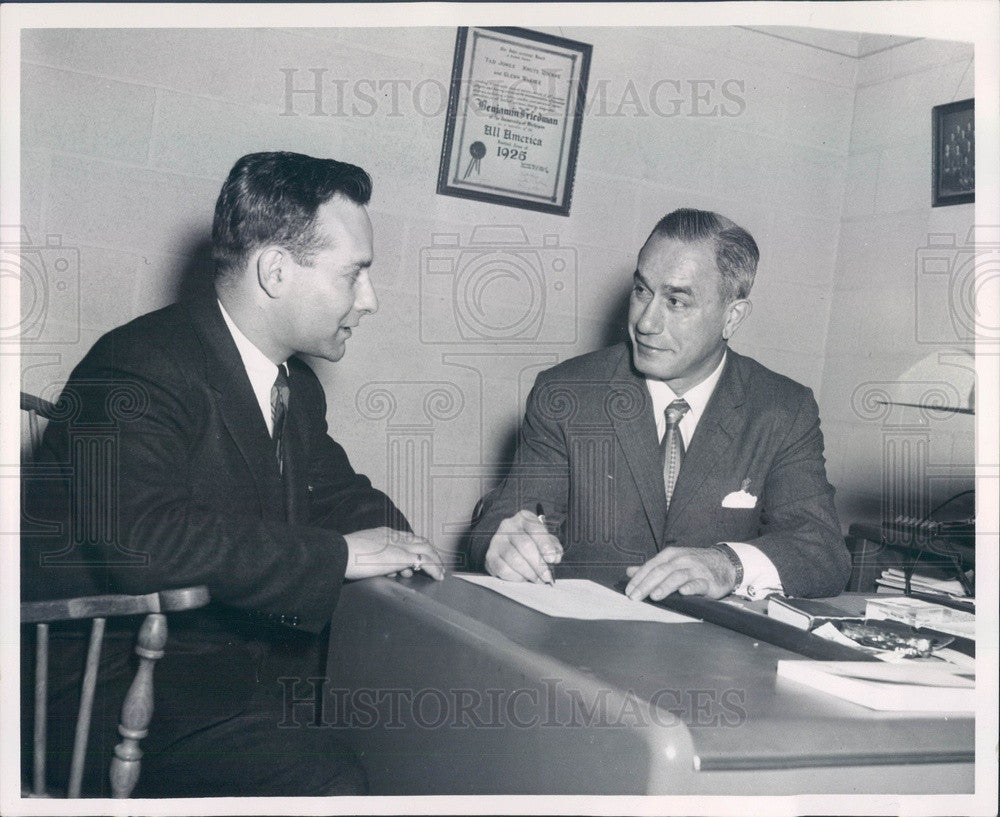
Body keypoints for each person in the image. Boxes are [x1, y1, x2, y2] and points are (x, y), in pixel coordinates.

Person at [21, 151, 444, 797]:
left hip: (224, 666)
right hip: (109, 682)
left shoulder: (293, 386)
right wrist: (336, 555)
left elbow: (335, 492)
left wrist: (402, 543)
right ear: (276, 270)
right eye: (354, 274)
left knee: (424, 735)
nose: (371, 299)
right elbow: (148, 546)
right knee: (335, 777)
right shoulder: (136, 367)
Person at [465, 208, 850, 601]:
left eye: (677, 301)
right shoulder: (567, 392)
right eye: (642, 291)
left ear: (732, 317)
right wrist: (504, 541)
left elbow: (822, 550)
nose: (646, 323)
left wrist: (727, 564)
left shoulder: (782, 410)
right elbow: (506, 516)